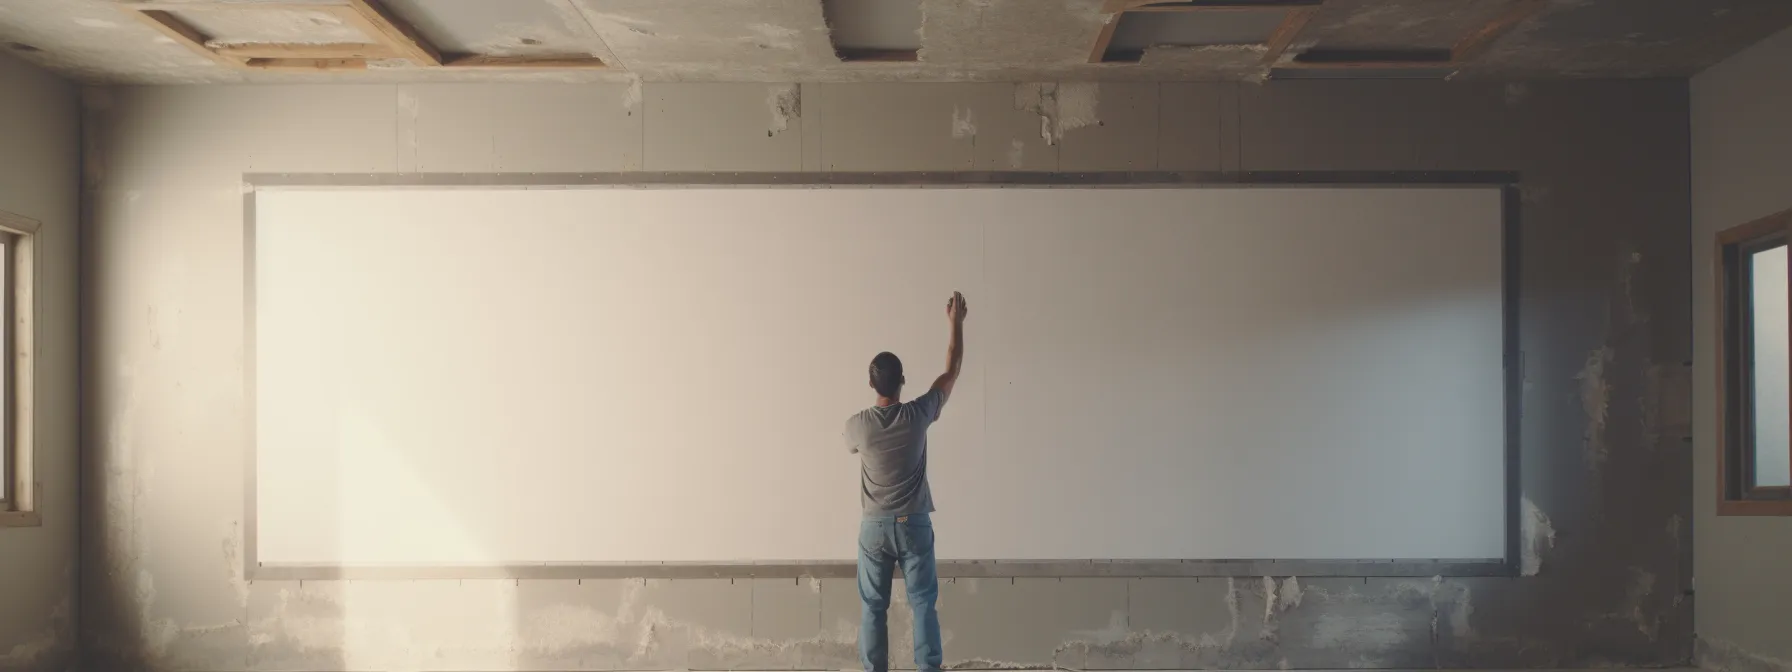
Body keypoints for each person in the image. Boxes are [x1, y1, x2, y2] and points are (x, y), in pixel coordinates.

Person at [843, 291, 967, 672]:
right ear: (903, 381)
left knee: (872, 608)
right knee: (923, 605)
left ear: (871, 382)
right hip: (913, 523)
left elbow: (852, 446)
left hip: (875, 528)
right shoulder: (918, 415)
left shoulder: (857, 427)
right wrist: (956, 324)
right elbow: (951, 372)